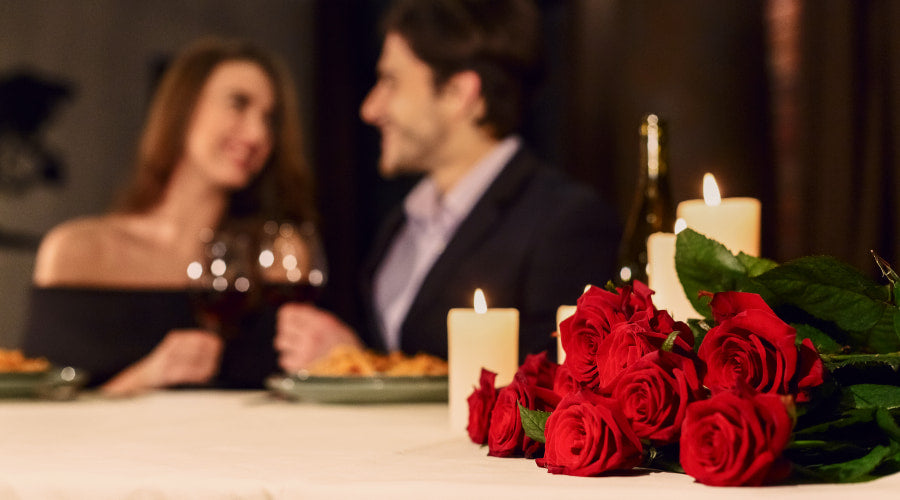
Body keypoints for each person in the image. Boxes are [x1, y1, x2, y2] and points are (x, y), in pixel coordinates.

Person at [275, 0, 620, 372]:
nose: (370, 109)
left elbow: (554, 380)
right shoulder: (402, 223)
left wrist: (360, 365)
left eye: (391, 81)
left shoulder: (566, 220)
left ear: (459, 93)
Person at [22, 37, 316, 396]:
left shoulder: (278, 256)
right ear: (183, 107)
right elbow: (38, 416)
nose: (258, 135)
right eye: (238, 104)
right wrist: (146, 377)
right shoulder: (77, 252)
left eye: (269, 119)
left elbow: (304, 397)